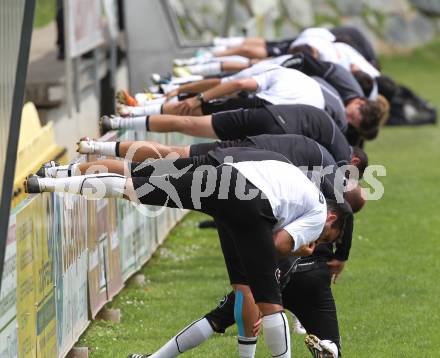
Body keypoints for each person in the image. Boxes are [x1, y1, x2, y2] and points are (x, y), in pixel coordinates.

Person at [25, 148, 347, 358]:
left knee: (133, 186)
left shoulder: (296, 179)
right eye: (323, 239)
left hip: (222, 180)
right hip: (250, 203)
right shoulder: (317, 212)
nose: (317, 245)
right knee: (269, 301)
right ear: (331, 218)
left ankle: (47, 183)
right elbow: (277, 245)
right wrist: (298, 246)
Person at [128, 243, 343, 358]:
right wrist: (342, 255)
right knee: (331, 344)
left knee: (217, 318)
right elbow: (347, 213)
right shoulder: (327, 187)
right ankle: (329, 349)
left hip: (277, 270)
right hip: (314, 273)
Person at [99, 104, 356, 168]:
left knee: (189, 122)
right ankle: (98, 149)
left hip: (267, 114)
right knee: (175, 158)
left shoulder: (335, 132)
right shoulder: (338, 161)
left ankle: (121, 119)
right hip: (264, 142)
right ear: (354, 163)